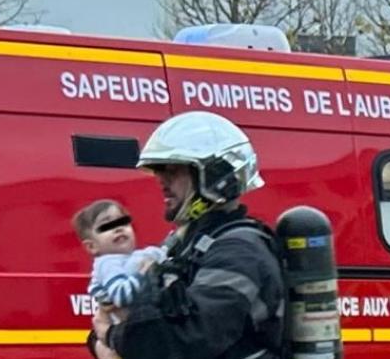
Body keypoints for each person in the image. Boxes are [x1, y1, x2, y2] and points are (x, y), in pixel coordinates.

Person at [93, 111, 285, 359]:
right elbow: (130, 318)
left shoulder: (239, 251)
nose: (161, 180)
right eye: (159, 171)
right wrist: (108, 338)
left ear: (215, 177)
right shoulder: (185, 245)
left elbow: (186, 340)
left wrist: (110, 336)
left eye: (172, 170)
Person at [72, 199, 166, 357]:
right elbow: (121, 295)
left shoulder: (133, 257)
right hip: (124, 335)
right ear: (92, 246)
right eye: (106, 226)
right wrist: (143, 272)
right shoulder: (107, 263)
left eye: (123, 222)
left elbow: (162, 254)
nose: (118, 228)